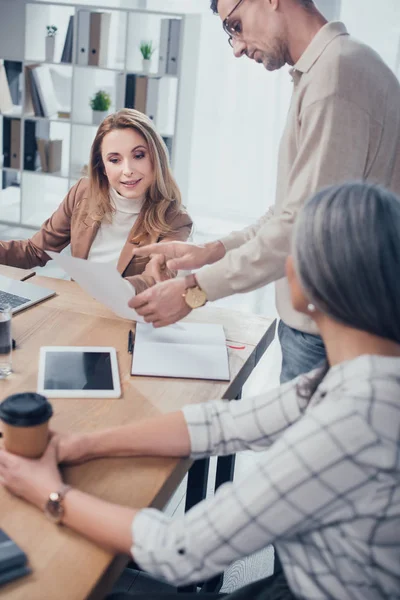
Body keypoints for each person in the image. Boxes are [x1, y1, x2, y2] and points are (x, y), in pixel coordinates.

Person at [1, 181, 400, 600]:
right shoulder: (364, 378)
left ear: (307, 282)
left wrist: (50, 493)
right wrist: (81, 444)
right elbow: (222, 422)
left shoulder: (354, 419)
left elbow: (180, 549)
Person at [127, 0, 400, 383]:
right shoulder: (328, 69)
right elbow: (289, 212)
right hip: (326, 330)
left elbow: (302, 231)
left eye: (235, 26)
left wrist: (193, 291)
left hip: (332, 336)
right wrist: (208, 253)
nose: (237, 47)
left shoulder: (336, 78)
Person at [0, 109, 192, 292]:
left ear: (156, 157)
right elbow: (34, 251)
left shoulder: (175, 219)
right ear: (102, 167)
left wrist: (107, 290)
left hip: (128, 316)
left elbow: (153, 279)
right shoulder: (82, 193)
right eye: (115, 160)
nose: (128, 170)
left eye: (139, 155)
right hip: (79, 309)